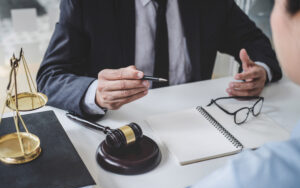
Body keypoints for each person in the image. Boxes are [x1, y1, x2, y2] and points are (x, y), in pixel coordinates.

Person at [37, 0, 282, 117]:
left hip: (198, 121)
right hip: (119, 126)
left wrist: (260, 70)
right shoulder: (86, 4)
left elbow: (255, 42)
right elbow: (49, 78)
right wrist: (96, 93)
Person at [169, 0, 300, 188]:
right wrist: (101, 93)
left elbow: (253, 39)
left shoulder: (260, 179)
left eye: (276, 4)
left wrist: (261, 69)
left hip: (199, 147)